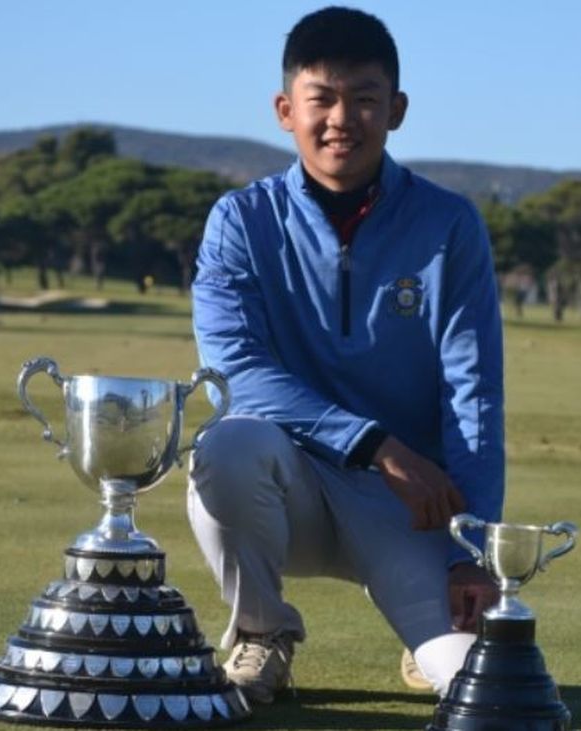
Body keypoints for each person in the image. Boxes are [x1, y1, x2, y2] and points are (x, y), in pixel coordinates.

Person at [186, 5, 504, 704]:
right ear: (285, 110)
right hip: (291, 487)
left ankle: (422, 633)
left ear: (396, 110)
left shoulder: (449, 223)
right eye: (321, 99)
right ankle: (263, 632)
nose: (341, 119)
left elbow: (472, 390)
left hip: (411, 509)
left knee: (482, 688)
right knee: (226, 446)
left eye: (364, 99)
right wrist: (376, 445)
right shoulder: (240, 220)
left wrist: (471, 551)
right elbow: (234, 372)